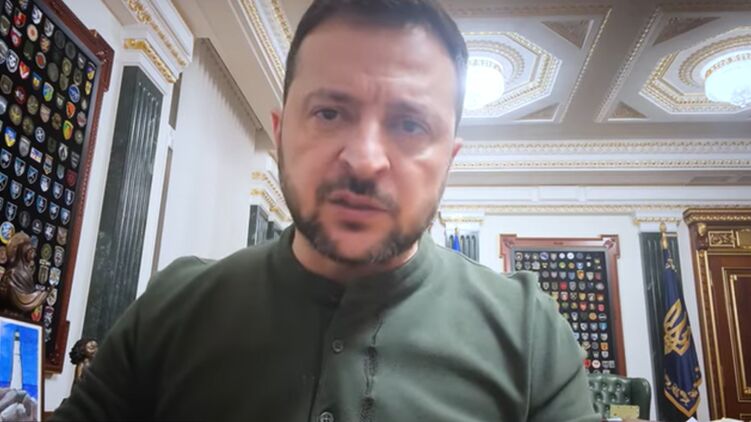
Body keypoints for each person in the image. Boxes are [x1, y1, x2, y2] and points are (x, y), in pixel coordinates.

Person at [53, 1, 598, 420]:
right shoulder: (173, 308)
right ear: (280, 134)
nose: (364, 160)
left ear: (448, 161)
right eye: (330, 112)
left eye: (410, 124)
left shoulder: (529, 332)